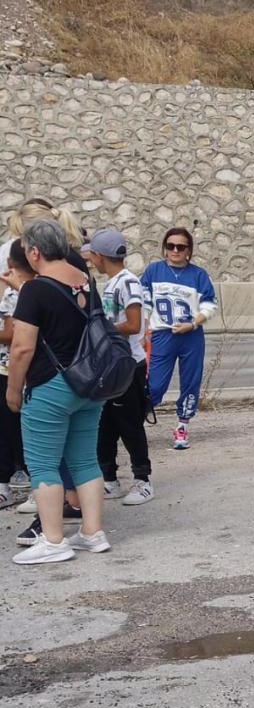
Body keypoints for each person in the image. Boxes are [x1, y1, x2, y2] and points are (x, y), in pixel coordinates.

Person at [6, 220, 112, 564]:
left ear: (35, 252)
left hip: (50, 385)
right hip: (89, 384)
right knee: (84, 460)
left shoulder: (36, 290)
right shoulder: (85, 281)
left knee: (43, 464)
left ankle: (53, 540)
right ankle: (93, 533)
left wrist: (13, 390)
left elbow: (22, 347)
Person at [84, 229, 153, 505]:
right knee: (106, 425)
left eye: (92, 255)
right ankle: (109, 479)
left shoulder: (128, 283)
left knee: (130, 425)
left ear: (101, 256)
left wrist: (101, 331)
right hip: (111, 365)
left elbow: (134, 324)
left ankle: (143, 480)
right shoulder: (113, 283)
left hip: (128, 365)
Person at [141, 227, 217, 450]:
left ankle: (182, 425)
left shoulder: (199, 275)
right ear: (165, 248)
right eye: (171, 246)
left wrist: (194, 323)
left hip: (190, 334)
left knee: (191, 381)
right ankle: (136, 419)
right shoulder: (153, 271)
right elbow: (144, 302)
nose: (175, 250)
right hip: (162, 334)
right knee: (154, 384)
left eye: (181, 247)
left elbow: (210, 304)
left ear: (188, 250)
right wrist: (144, 330)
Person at [0, 242, 34, 508]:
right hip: (15, 368)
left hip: (14, 370)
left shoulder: (16, 293)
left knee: (15, 429)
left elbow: (14, 337)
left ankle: (33, 485)